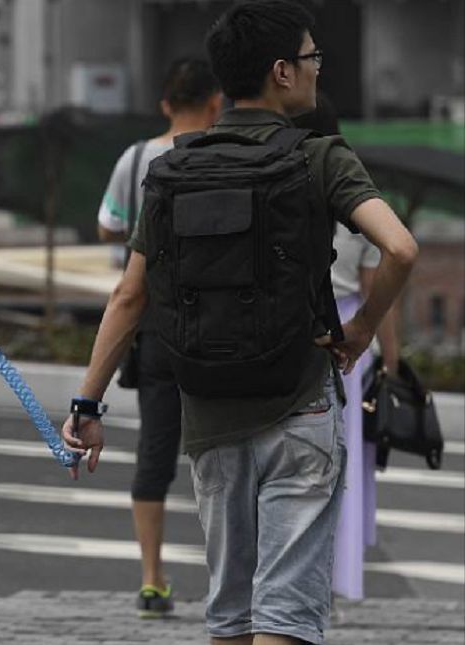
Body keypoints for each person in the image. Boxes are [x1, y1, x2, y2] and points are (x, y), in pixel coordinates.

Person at [61, 2, 418, 644]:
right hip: (300, 403)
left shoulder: (172, 170)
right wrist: (361, 328)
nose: (316, 70)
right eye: (311, 59)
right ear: (282, 72)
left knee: (230, 611)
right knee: (286, 614)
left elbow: (128, 297)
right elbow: (400, 249)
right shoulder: (321, 157)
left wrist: (88, 401)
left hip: (209, 410)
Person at [96, 58, 222, 618]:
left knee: (155, 451)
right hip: (222, 323)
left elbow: (108, 224)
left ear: (166, 104)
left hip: (154, 323)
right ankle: (232, 579)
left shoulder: (136, 158)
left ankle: (152, 578)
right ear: (216, 103)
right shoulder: (227, 155)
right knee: (228, 453)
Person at [294, 99, 400, 600]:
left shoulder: (281, 188)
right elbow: (383, 281)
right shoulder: (355, 200)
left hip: (297, 329)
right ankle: (342, 575)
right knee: (346, 457)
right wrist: (391, 358)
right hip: (353, 330)